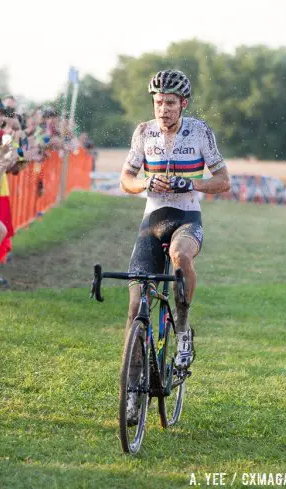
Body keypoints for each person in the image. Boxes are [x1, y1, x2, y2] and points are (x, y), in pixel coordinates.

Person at [119, 69, 230, 422]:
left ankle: (182, 329)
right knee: (136, 305)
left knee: (180, 255)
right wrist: (146, 181)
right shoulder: (143, 132)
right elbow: (126, 178)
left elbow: (223, 180)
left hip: (186, 219)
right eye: (157, 103)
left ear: (182, 103)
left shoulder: (199, 132)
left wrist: (191, 181)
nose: (162, 109)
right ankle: (133, 396)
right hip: (152, 220)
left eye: (169, 103)